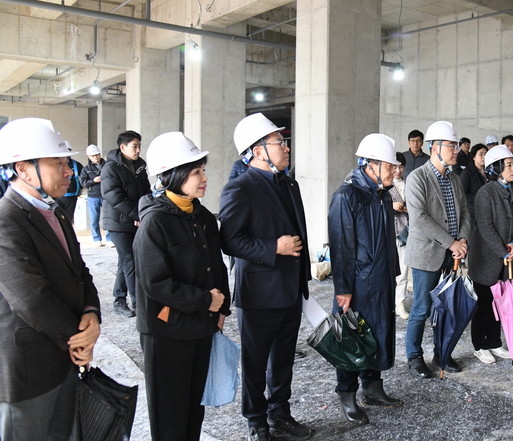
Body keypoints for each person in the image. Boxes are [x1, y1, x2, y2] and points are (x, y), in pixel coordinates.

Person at [0, 117, 101, 440]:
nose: (69, 171)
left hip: (65, 357)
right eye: (58, 163)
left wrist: (91, 314)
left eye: (66, 162)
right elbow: (30, 297)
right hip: (30, 370)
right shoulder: (6, 219)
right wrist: (79, 339)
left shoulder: (54, 211)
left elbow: (80, 271)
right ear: (24, 169)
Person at [220, 113, 312, 441]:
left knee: (283, 360)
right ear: (258, 151)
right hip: (259, 292)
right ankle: (256, 420)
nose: (286, 148)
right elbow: (230, 240)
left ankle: (280, 413)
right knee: (256, 362)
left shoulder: (289, 184)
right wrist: (274, 247)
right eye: (279, 142)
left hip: (290, 289)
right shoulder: (240, 188)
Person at [134, 132, 231, 441]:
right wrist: (205, 301)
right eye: (196, 172)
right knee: (170, 414)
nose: (204, 178)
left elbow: (216, 266)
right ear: (172, 176)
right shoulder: (155, 223)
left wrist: (222, 308)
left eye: (203, 170)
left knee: (193, 409)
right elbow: (156, 283)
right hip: (167, 333)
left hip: (201, 327)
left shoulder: (202, 216)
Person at [328, 133, 403, 425]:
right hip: (357, 285)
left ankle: (372, 386)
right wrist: (343, 289)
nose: (395, 171)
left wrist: (392, 273)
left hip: (381, 279)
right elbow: (341, 246)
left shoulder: (382, 194)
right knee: (352, 338)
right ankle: (347, 393)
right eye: (390, 166)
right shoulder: (346, 196)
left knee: (379, 332)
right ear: (371, 165)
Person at [404, 120, 471, 378]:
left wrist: (462, 240)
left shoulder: (454, 179)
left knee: (445, 308)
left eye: (456, 145)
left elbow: (465, 212)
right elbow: (419, 218)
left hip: (451, 254)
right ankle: (414, 356)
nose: (456, 150)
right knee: (421, 308)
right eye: (451, 146)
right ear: (435, 148)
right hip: (427, 254)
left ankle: (442, 352)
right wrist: (451, 242)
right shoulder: (417, 178)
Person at [468, 145, 513, 364]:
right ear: (496, 168)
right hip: (485, 259)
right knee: (483, 304)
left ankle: (494, 341)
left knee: (500, 303)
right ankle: (480, 345)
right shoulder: (485, 193)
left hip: (505, 258)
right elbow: (486, 227)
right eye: (509, 165)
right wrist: (503, 252)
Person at [102, 130, 151, 318]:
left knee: (125, 260)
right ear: (123, 147)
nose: (138, 150)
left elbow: (146, 192)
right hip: (118, 222)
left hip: (135, 220)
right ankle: (139, 304)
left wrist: (145, 212)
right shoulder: (111, 168)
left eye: (139, 146)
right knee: (130, 260)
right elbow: (113, 196)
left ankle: (119, 300)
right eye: (134, 146)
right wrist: (135, 215)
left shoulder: (139, 166)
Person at [388, 152, 410, 320]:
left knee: (403, 270)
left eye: (400, 167)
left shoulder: (409, 183)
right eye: (394, 167)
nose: (397, 170)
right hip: (388, 231)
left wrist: (407, 209)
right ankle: (388, 301)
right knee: (387, 270)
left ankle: (399, 302)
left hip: (405, 232)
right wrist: (391, 206)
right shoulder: (384, 184)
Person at [80, 144, 111, 247]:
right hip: (93, 196)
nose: (95, 157)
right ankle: (96, 239)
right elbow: (83, 183)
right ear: (89, 157)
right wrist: (93, 181)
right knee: (94, 219)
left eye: (97, 155)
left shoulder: (107, 165)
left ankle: (109, 238)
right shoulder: (86, 169)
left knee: (108, 217)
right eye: (93, 156)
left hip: (106, 195)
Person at [460, 143, 488, 230]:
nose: (484, 157)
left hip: (487, 211)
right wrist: (480, 199)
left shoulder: (489, 171)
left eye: (485, 154)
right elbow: (463, 194)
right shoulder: (467, 172)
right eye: (480, 154)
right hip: (473, 212)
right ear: (473, 157)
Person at [54, 156, 84, 222]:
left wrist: (80, 189)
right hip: (57, 197)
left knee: (68, 219)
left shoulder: (76, 165)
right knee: (57, 218)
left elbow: (83, 178)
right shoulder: (52, 164)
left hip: (71, 197)